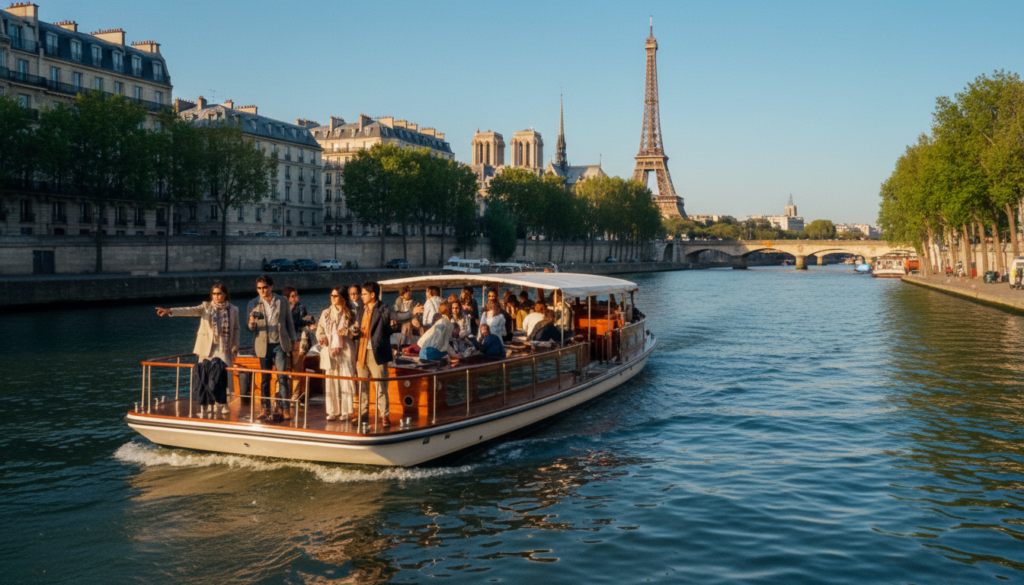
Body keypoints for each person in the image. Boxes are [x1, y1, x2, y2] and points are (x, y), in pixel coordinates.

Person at [155, 283, 239, 415]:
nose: (216, 296)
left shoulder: (233, 309)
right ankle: (206, 404)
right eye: (214, 294)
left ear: (225, 294)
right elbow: (190, 310)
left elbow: (236, 329)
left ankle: (223, 403)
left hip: (224, 347)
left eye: (219, 293)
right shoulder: (206, 307)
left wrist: (235, 347)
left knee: (223, 376)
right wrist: (170, 311)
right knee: (204, 375)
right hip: (207, 346)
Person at [246, 275, 298, 421]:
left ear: (271, 287)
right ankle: (265, 408)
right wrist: (252, 321)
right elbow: (250, 328)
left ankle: (285, 407)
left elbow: (289, 322)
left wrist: (294, 340)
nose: (262, 291)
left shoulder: (282, 301)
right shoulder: (253, 303)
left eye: (265, 287)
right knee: (265, 378)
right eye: (259, 288)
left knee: (282, 377)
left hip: (280, 344)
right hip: (263, 345)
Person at [355, 281, 394, 427]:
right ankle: (363, 414)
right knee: (362, 386)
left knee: (380, 385)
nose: (361, 296)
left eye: (364, 294)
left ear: (373, 295)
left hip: (376, 352)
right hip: (362, 352)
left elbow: (392, 319)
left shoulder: (383, 308)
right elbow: (358, 327)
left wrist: (410, 314)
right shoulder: (361, 309)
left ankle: (384, 415)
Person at [316, 286, 356, 422]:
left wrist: (348, 332)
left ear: (342, 297)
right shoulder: (325, 313)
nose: (332, 298)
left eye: (336, 296)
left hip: (345, 350)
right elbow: (319, 330)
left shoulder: (351, 313)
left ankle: (345, 411)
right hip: (329, 349)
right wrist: (322, 338)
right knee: (331, 381)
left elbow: (357, 330)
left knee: (346, 380)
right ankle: (332, 411)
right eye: (331, 296)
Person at [284, 286, 316, 403]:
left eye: (296, 295)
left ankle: (294, 397)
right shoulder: (282, 308)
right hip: (284, 343)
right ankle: (284, 396)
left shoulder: (301, 308)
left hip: (297, 341)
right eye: (293, 296)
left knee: (296, 371)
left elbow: (303, 324)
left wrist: (309, 321)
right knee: (285, 371)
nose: (296, 298)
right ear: (287, 297)